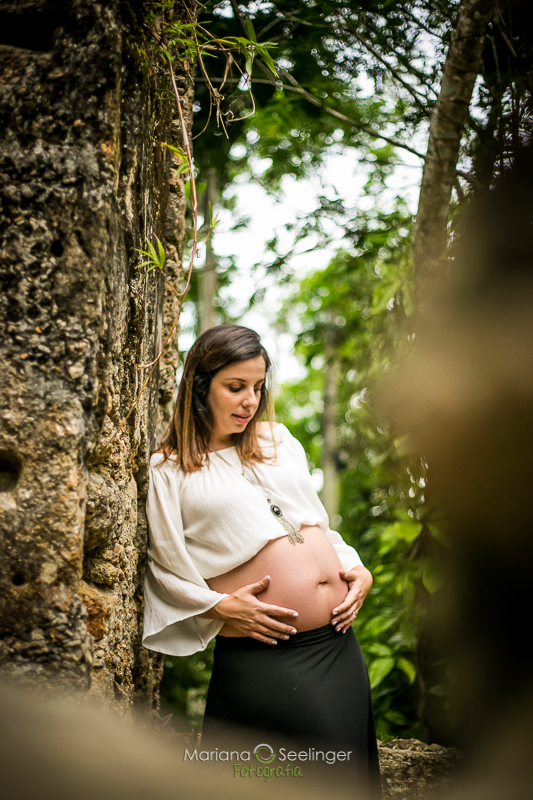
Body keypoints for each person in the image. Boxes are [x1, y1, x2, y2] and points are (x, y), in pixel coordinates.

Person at [142, 324, 382, 798]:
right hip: (268, 655)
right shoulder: (169, 470)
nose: (250, 401)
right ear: (199, 385)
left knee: (348, 778)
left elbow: (317, 524)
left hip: (337, 645)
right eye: (235, 387)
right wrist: (217, 606)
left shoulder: (279, 440)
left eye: (257, 387)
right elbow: (163, 565)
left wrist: (356, 567)